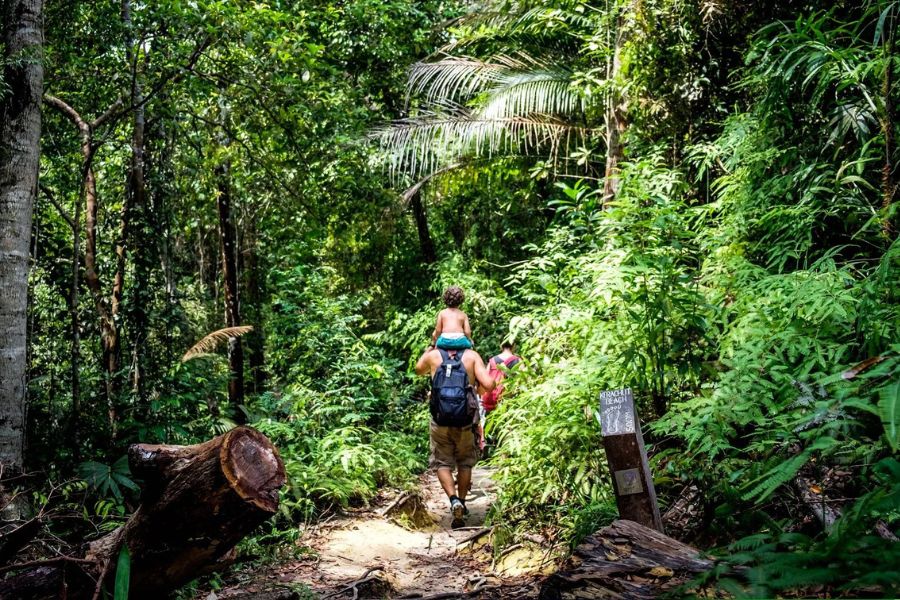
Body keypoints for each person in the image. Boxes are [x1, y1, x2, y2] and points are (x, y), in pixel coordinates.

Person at [415, 343, 494, 528]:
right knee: (465, 462)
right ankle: (463, 502)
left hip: (439, 421)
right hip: (465, 422)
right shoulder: (472, 356)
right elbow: (489, 385)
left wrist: (429, 348)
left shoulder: (433, 355)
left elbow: (418, 370)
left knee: (442, 463)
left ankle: (453, 501)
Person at [430, 286, 473, 350]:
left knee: (435, 347)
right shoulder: (463, 315)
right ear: (461, 300)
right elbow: (467, 332)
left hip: (445, 341)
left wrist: (435, 342)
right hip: (460, 341)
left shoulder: (442, 313)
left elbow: (438, 331)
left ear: (445, 299)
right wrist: (470, 340)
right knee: (471, 347)